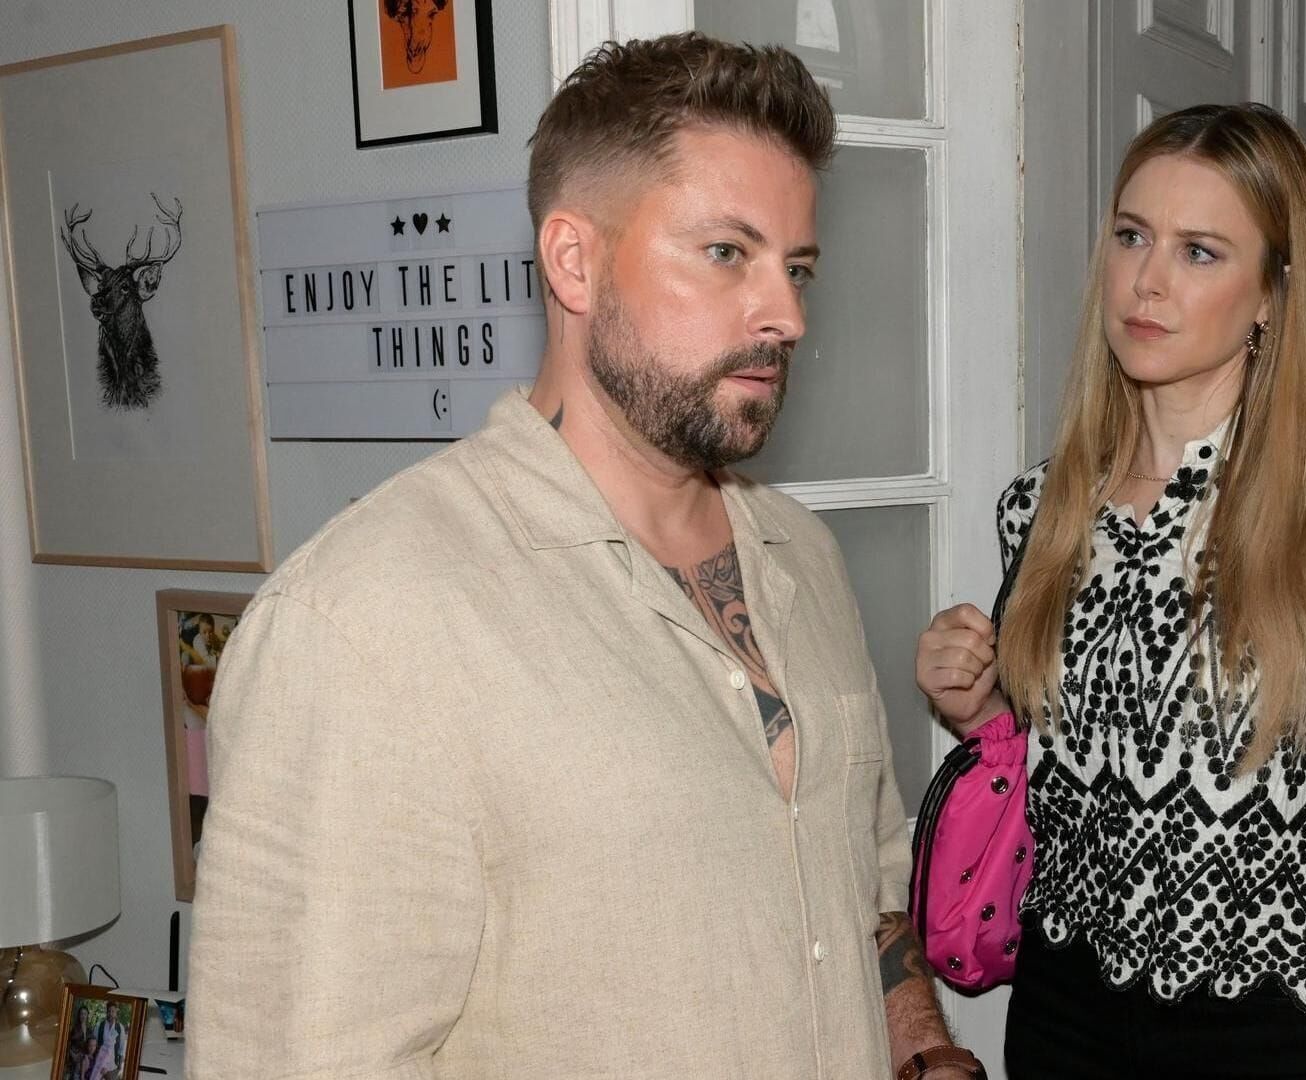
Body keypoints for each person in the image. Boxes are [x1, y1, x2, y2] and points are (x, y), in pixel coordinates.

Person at [190, 33, 981, 1080]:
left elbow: (865, 882)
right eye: (727, 253)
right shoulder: (363, 622)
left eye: (796, 268)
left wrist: (924, 1048)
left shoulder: (805, 555)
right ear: (574, 260)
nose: (786, 314)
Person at [915, 102, 1306, 1078]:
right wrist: (978, 709)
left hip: (1266, 1037)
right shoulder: (1042, 510)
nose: (1148, 279)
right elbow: (1078, 770)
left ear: (1271, 296)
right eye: (1132, 236)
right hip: (1059, 1018)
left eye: (1200, 252)